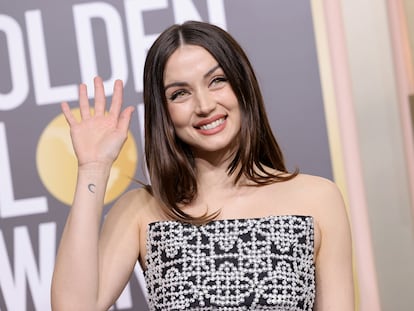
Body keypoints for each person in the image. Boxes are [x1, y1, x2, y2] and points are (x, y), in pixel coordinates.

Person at [51, 21, 354, 310]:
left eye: (217, 81)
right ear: (164, 112)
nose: (205, 105)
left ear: (242, 85)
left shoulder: (317, 199)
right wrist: (93, 167)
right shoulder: (143, 210)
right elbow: (73, 307)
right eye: (180, 93)